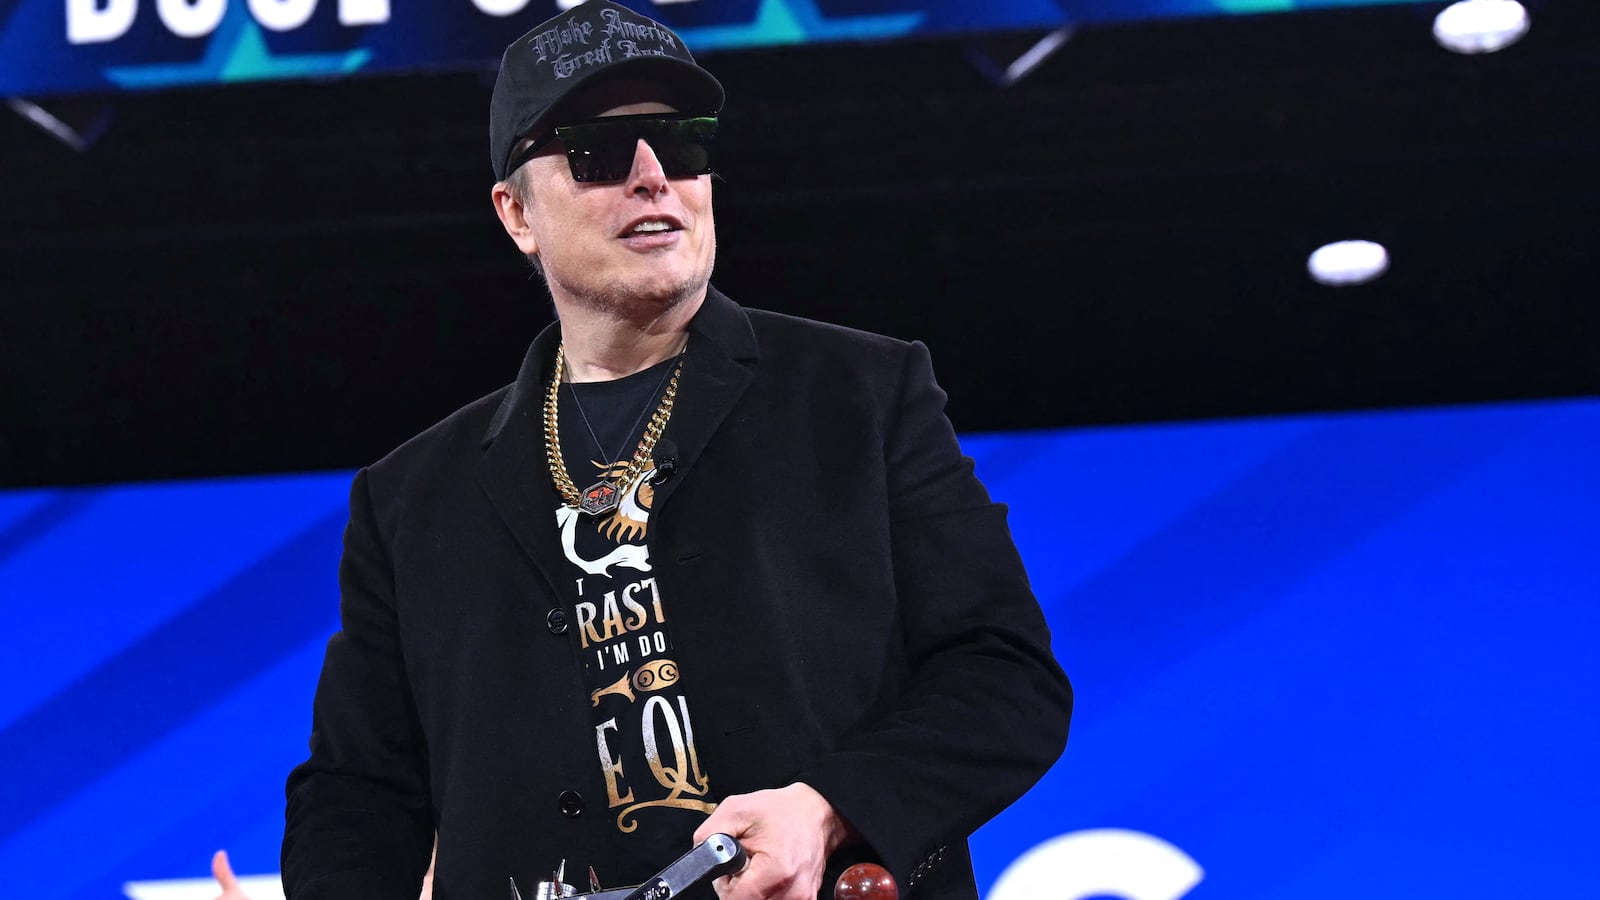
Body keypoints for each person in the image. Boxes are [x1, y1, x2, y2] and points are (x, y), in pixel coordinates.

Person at [280, 3, 1072, 900]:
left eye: (680, 143)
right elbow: (356, 793)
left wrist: (827, 807)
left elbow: (1006, 679)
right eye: (597, 154)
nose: (654, 176)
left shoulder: (863, 393)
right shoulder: (409, 497)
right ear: (516, 214)